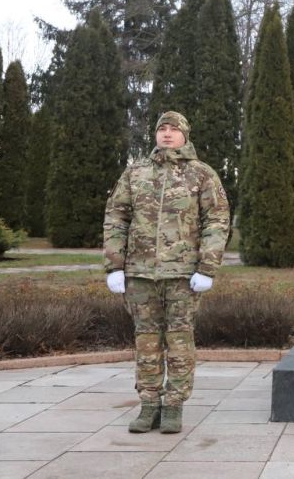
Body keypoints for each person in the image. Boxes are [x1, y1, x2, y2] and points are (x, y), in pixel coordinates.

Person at [103, 111, 229, 434]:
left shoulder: (201, 175)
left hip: (182, 275)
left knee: (179, 338)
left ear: (185, 135)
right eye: (163, 128)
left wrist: (207, 266)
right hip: (140, 274)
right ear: (156, 134)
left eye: (175, 129)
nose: (168, 134)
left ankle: (173, 404)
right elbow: (116, 218)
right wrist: (115, 265)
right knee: (146, 340)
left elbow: (216, 222)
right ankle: (148, 404)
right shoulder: (135, 173)